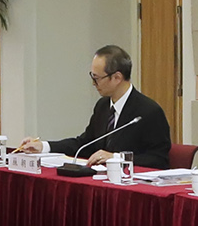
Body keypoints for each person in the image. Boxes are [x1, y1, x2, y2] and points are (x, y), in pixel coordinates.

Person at [16, 45, 171, 172]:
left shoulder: (148, 112)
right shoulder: (102, 106)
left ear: (117, 78)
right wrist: (44, 146)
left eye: (97, 79)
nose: (93, 84)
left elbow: (158, 159)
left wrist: (116, 158)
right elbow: (85, 144)